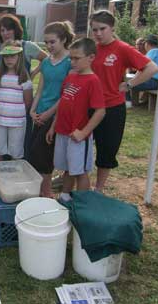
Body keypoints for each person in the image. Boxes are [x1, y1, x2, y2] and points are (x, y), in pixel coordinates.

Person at [90, 10, 158, 192]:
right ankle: (71, 178)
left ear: (112, 28)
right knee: (78, 145)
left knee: (106, 150)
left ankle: (98, 189)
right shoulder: (91, 48)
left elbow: (151, 67)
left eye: (102, 29)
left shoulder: (122, 48)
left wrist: (130, 84)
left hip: (112, 108)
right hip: (88, 106)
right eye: (94, 29)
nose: (98, 33)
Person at [46, 38, 106, 202]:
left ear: (91, 57)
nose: (72, 62)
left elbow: (100, 111)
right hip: (62, 132)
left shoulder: (93, 81)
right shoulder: (70, 77)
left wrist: (83, 133)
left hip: (78, 136)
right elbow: (63, 104)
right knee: (67, 168)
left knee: (79, 171)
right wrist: (53, 127)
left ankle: (82, 203)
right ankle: (65, 197)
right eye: (71, 58)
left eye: (77, 58)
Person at [0, 14, 48, 159]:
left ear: (16, 30)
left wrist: (32, 74)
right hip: (2, 108)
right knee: (0, 143)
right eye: (2, 30)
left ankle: (19, 169)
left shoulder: (27, 46)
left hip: (20, 108)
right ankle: (3, 169)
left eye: (9, 30)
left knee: (19, 143)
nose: (5, 33)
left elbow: (46, 59)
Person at [29, 21, 74, 197]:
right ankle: (41, 190)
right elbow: (40, 88)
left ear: (63, 40)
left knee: (44, 155)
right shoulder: (47, 62)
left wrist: (49, 113)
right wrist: (33, 110)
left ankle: (46, 193)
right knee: (34, 152)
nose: (48, 46)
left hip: (56, 115)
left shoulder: (70, 62)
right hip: (40, 112)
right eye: (46, 42)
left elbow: (67, 94)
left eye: (52, 42)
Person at [0, 41, 33, 160]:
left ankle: (15, 178)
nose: (9, 59)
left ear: (19, 57)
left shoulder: (25, 80)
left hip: (17, 122)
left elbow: (28, 102)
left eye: (12, 56)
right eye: (6, 56)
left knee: (16, 152)